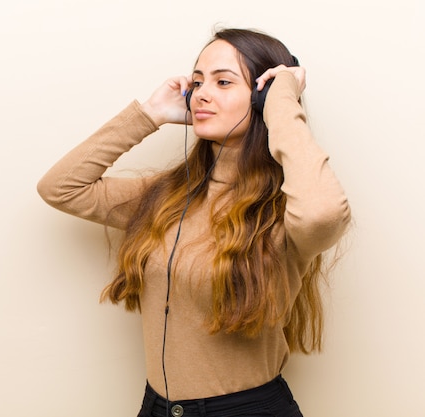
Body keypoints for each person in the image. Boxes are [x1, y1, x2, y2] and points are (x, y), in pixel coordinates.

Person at [37, 27, 351, 417]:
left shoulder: (282, 209)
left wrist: (283, 101)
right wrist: (150, 115)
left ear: (260, 97)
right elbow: (60, 188)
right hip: (157, 407)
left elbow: (325, 213)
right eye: (198, 81)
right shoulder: (165, 196)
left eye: (223, 82)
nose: (201, 93)